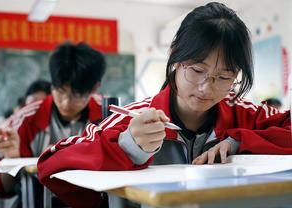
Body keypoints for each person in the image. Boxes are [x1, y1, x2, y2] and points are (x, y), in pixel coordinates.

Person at [37, 2, 292, 208]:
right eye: (197, 70)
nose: (206, 88)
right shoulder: (134, 119)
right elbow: (50, 164)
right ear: (174, 56)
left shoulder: (244, 114)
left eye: (224, 77)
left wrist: (238, 141)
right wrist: (128, 148)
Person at [0, 42, 106, 205]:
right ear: (52, 84)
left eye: (77, 94)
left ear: (94, 88)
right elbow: (5, 190)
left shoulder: (108, 115)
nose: (66, 103)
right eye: (60, 91)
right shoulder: (27, 119)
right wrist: (11, 159)